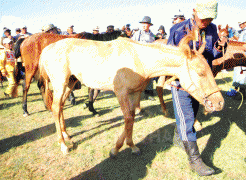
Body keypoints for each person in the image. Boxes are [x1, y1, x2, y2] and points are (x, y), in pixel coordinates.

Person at [167, 0, 227, 176]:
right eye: (203, 17)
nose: (206, 21)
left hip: (201, 83)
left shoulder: (212, 29)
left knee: (192, 115)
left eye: (210, 18)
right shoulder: (178, 30)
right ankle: (195, 161)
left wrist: (220, 45)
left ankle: (181, 137)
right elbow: (171, 58)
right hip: (181, 84)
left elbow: (213, 54)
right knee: (186, 119)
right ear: (194, 11)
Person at [131, 16, 156, 100]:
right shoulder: (137, 34)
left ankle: (149, 93)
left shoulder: (152, 35)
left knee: (150, 76)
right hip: (139, 58)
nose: (144, 26)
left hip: (149, 58)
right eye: (143, 24)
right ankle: (136, 92)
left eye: (146, 24)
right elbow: (132, 44)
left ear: (149, 25)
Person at [231, 20, 246, 99]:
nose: (240, 26)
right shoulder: (242, 31)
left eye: (241, 24)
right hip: (241, 55)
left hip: (243, 56)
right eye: (239, 24)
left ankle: (241, 94)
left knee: (242, 76)